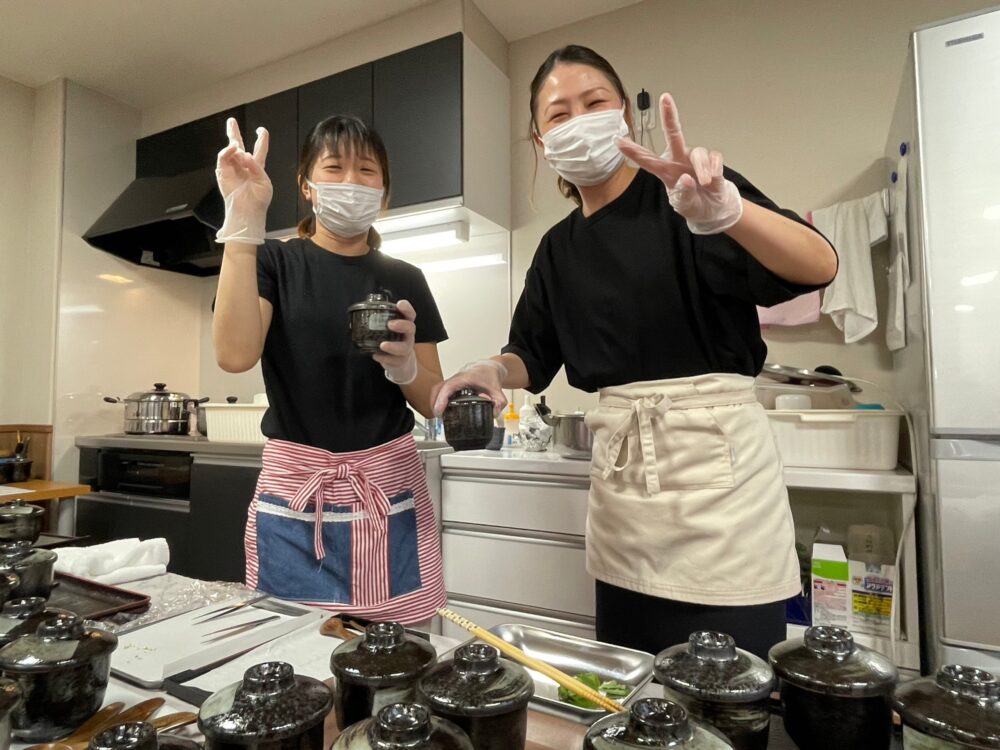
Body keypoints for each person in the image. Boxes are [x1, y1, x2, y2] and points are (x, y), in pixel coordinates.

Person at [432, 46, 838, 658]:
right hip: (625, 500)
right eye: (559, 113)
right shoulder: (557, 249)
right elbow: (530, 354)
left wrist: (728, 214)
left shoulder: (686, 197)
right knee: (632, 686)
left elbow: (818, 264)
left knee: (729, 688)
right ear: (540, 141)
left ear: (623, 113)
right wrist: (488, 368)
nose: (579, 120)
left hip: (721, 488)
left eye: (594, 103)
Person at [213, 114, 447, 624]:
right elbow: (234, 355)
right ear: (307, 187)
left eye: (366, 170)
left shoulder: (407, 278)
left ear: (384, 193)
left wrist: (407, 369)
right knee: (291, 653)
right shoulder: (275, 263)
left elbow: (432, 400)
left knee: (395, 654)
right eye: (334, 168)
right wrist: (242, 224)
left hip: (387, 489)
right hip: (300, 490)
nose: (350, 182)